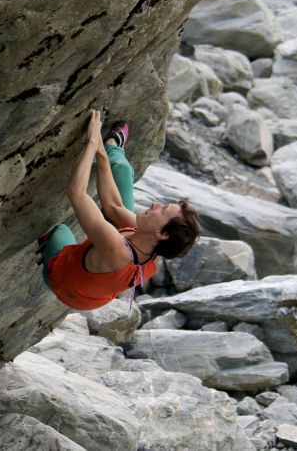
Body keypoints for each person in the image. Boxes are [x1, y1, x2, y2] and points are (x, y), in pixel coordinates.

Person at [38, 110, 201, 310]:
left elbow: (76, 193)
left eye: (162, 209)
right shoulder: (153, 249)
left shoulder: (116, 248)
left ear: (162, 233)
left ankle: (47, 245)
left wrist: (90, 141)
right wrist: (101, 152)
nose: (154, 205)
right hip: (93, 296)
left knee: (61, 230)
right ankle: (114, 147)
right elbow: (114, 208)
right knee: (121, 173)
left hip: (64, 285)